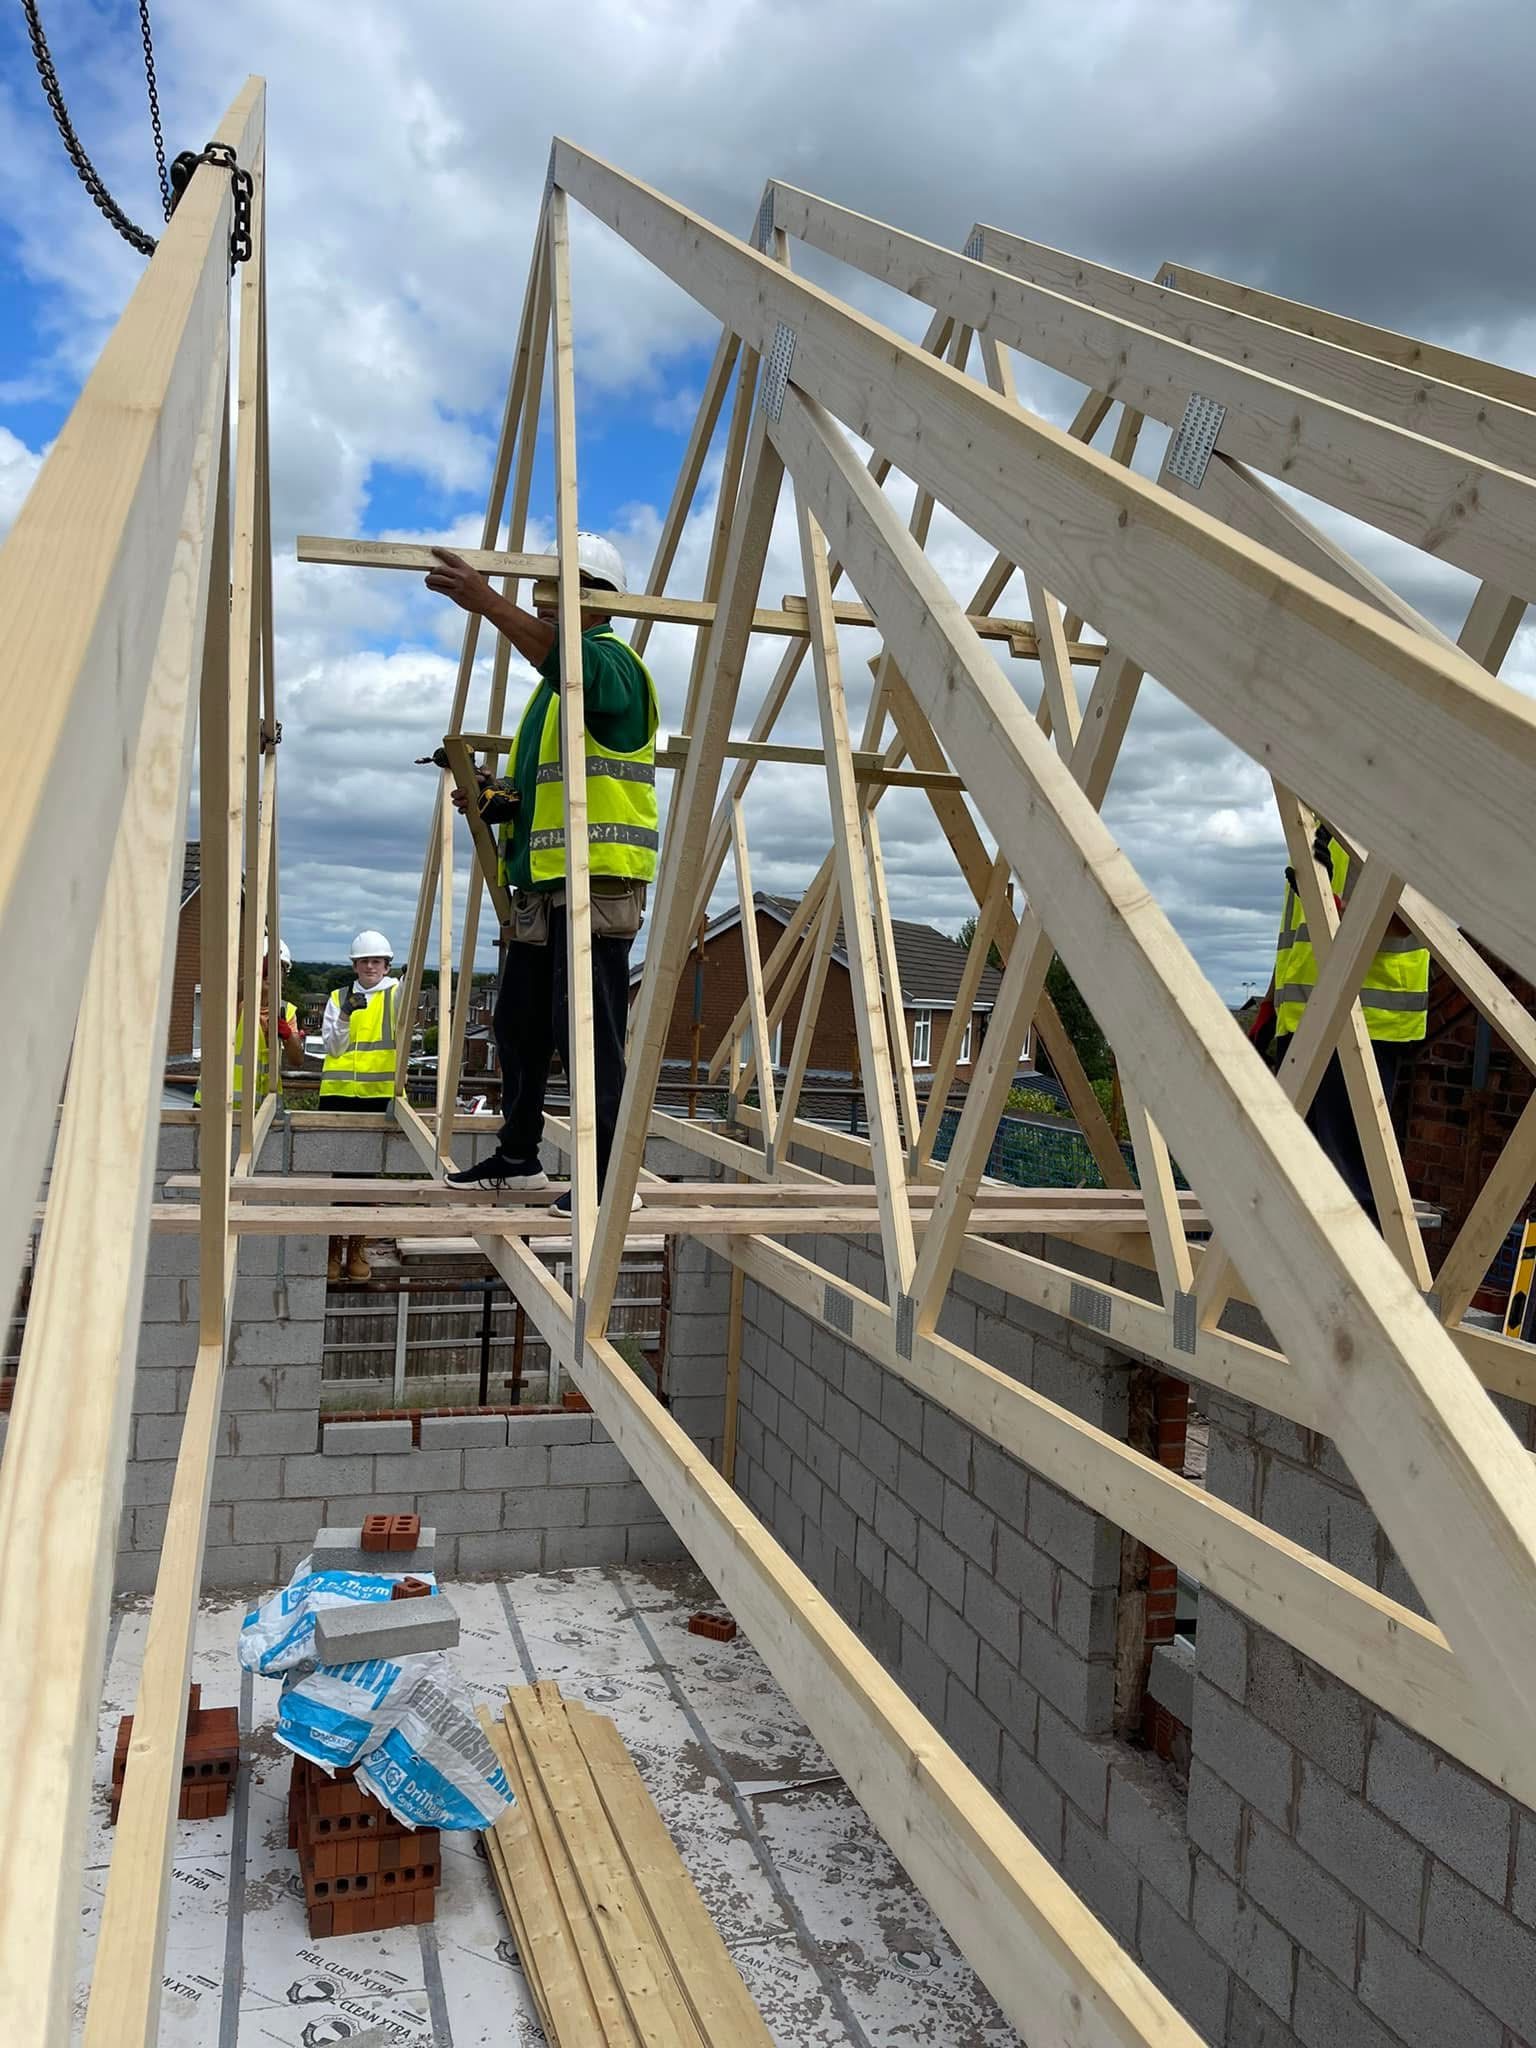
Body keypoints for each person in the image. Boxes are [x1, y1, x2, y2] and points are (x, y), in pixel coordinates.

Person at [423, 533, 655, 1215]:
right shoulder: (551, 703)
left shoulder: (613, 667)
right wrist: (493, 798)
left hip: (598, 885)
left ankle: (611, 1183)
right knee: (520, 1026)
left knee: (587, 1033)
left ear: (592, 600)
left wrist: (486, 601)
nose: (543, 607)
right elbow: (535, 797)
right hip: (544, 890)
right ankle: (520, 1156)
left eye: (555, 593)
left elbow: (571, 668)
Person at [1251, 822, 1428, 1225]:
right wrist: (1270, 1002)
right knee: (1298, 1184)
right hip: (1303, 1020)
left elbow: (1415, 921)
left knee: (1348, 1194)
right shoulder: (1313, 819)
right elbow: (1302, 938)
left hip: (1362, 1022)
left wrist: (1328, 904)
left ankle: (1353, 1286)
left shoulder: (1397, 811)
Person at [320, 930, 400, 1279]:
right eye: (364, 961)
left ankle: (356, 1249)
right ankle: (332, 1249)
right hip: (337, 1096)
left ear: (386, 965)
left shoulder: (398, 994)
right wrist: (344, 1018)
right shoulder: (339, 998)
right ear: (355, 965)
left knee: (366, 1181)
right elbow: (333, 1048)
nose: (370, 966)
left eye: (376, 961)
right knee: (336, 1178)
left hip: (378, 1097)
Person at [195, 940, 299, 1106]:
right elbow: (234, 993)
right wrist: (255, 973)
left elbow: (297, 1059)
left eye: (279, 969)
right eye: (267, 968)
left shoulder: (286, 1012)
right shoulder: (237, 1002)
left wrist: (288, 1036)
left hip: (262, 1108)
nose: (272, 974)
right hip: (216, 1104)